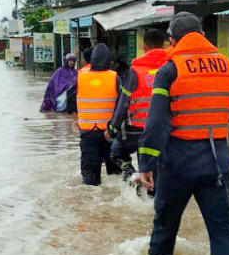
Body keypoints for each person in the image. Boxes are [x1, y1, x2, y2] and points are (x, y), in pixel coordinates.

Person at [139, 12, 229, 255]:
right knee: (222, 233)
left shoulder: (169, 70)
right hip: (218, 161)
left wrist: (146, 164)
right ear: (204, 36)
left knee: (164, 228)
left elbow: (157, 123)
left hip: (178, 163)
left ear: (172, 41)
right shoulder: (226, 66)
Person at [106, 29, 169, 182]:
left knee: (116, 152)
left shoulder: (135, 71)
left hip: (136, 130)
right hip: (163, 131)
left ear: (144, 47)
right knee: (154, 169)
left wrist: (112, 129)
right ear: (164, 45)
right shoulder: (171, 68)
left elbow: (123, 103)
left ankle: (132, 176)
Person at [66, 44, 123, 185]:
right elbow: (123, 104)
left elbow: (69, 99)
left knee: (90, 179)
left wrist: (75, 120)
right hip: (110, 133)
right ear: (108, 60)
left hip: (87, 133)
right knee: (115, 176)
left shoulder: (80, 77)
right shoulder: (115, 77)